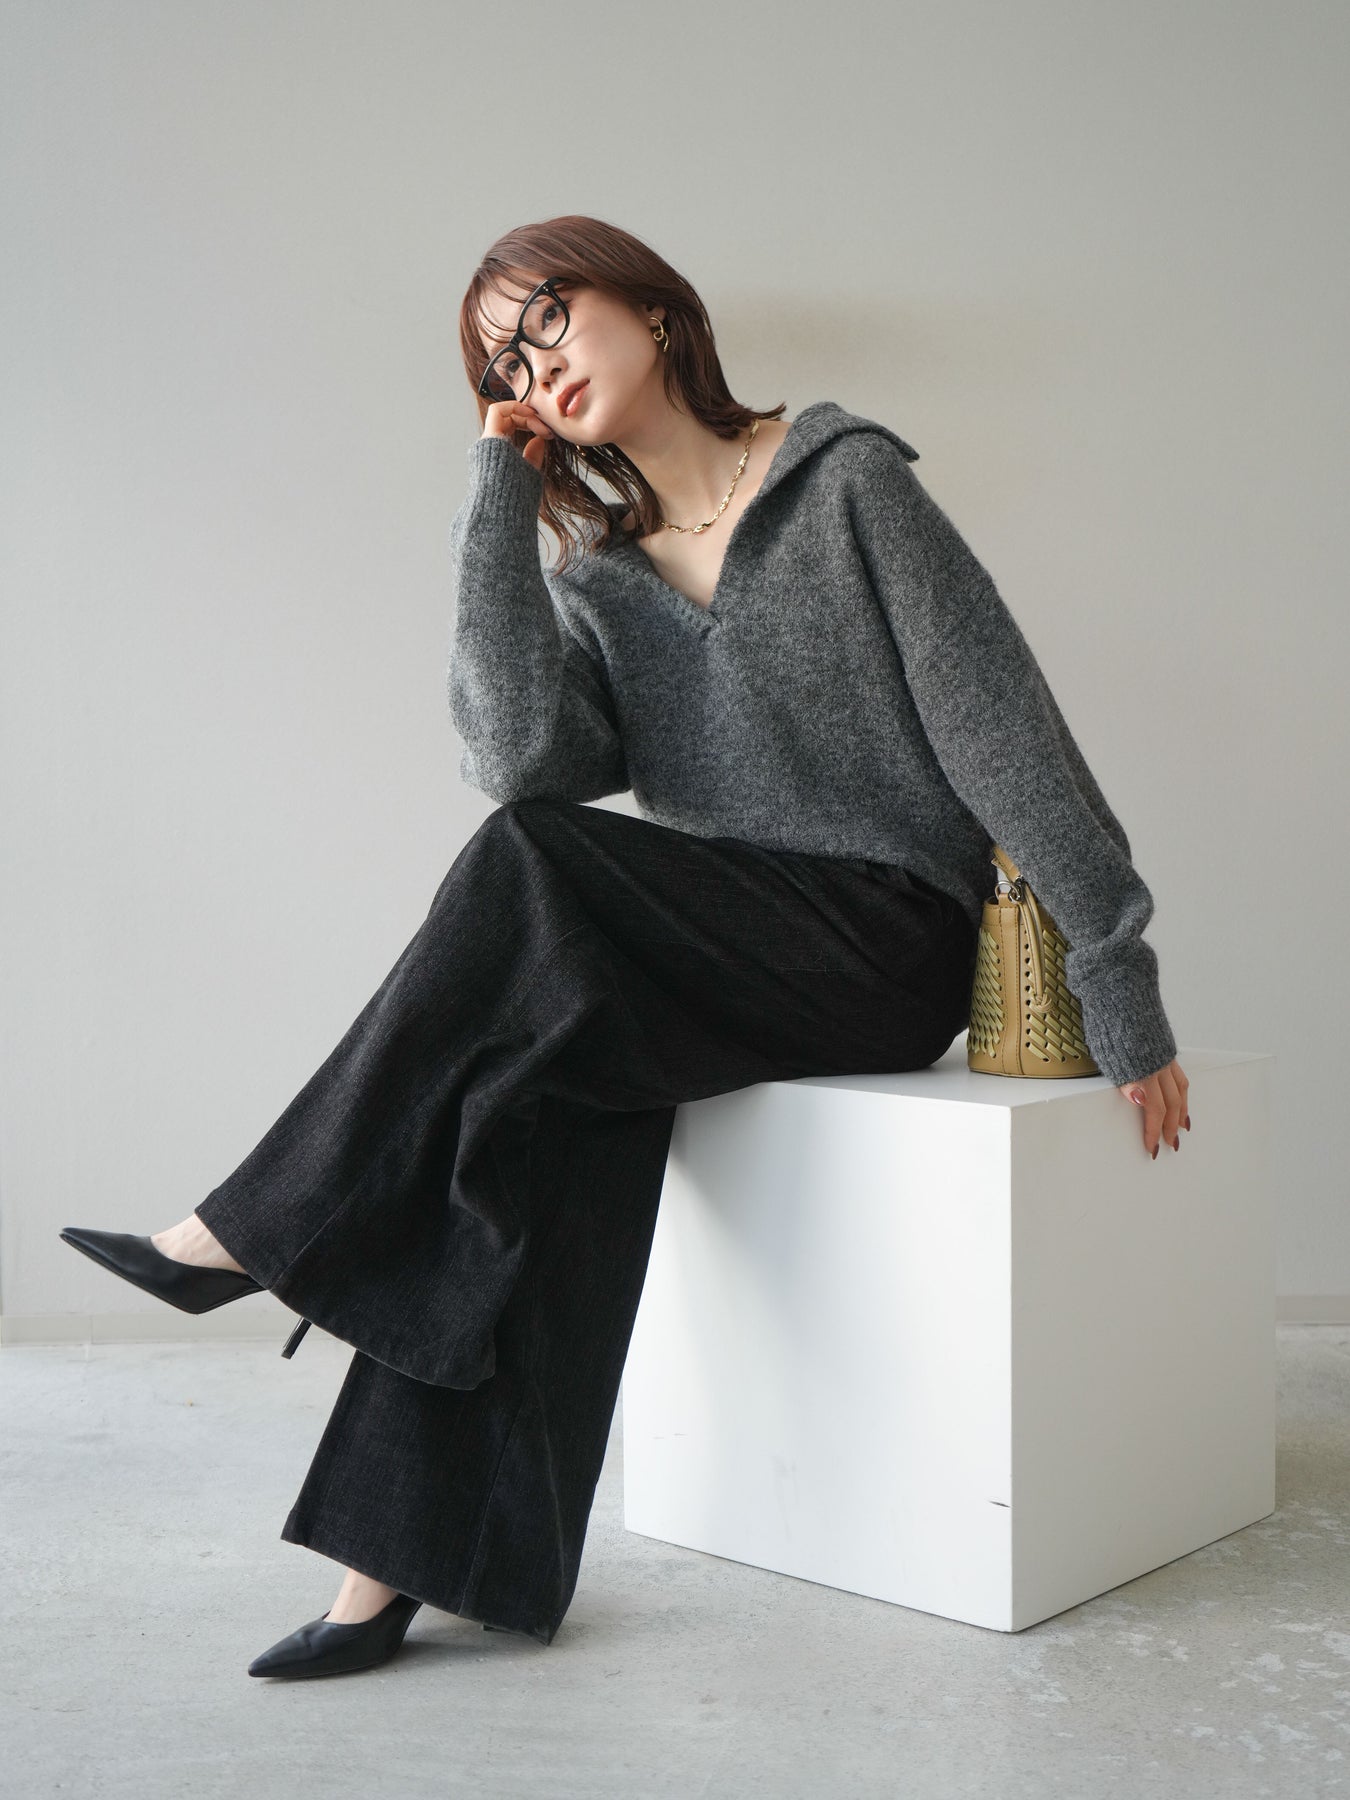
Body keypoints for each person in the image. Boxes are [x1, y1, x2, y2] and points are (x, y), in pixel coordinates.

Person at [60, 213, 1189, 1679]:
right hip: (705, 952)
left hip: (881, 944)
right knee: (516, 1112)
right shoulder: (601, 578)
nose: (536, 366)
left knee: (533, 870)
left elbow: (1008, 739)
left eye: (550, 320)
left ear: (652, 309)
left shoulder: (845, 484)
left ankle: (253, 1230)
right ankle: (399, 1568)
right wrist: (495, 497)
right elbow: (518, 762)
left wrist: (1118, 976)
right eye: (505, 364)